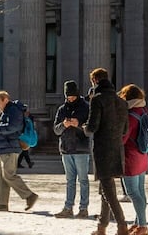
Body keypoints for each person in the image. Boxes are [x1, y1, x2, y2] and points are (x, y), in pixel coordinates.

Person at [86, 69, 133, 235]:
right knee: (106, 187)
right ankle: (102, 226)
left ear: (95, 80)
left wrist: (83, 127)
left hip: (102, 149)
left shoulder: (97, 100)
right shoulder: (121, 102)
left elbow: (92, 127)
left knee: (108, 189)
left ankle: (122, 225)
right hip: (117, 148)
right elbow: (125, 129)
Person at [0, 91, 40, 212]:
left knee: (8, 175)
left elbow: (13, 127)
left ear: (5, 100)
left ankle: (29, 196)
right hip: (4, 147)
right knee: (1, 176)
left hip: (10, 147)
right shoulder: (6, 111)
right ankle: (2, 203)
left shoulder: (13, 110)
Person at [55, 80, 93, 219]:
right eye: (68, 96)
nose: (70, 98)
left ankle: (83, 208)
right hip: (66, 148)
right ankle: (68, 207)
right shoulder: (61, 109)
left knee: (83, 179)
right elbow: (56, 129)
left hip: (81, 148)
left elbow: (91, 129)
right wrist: (63, 125)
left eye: (72, 95)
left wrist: (79, 124)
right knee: (70, 180)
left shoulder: (86, 107)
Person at [120, 84, 148, 235]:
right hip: (142, 156)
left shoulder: (131, 115)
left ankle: (143, 226)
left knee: (132, 192)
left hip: (131, 158)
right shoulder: (143, 111)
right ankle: (137, 222)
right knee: (140, 191)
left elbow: (123, 138)